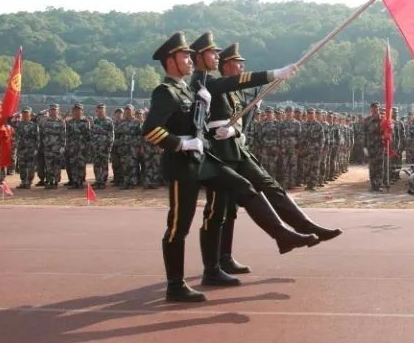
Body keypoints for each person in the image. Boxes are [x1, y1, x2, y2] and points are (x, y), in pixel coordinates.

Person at [143, 32, 320, 302]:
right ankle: (175, 285)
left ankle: (282, 235)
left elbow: (211, 105)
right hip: (182, 165)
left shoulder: (188, 89)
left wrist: (210, 119)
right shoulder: (165, 92)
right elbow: (151, 130)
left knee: (243, 186)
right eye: (185, 56)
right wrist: (182, 144)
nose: (190, 60)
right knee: (179, 226)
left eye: (192, 56)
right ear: (170, 60)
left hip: (203, 160)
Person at [190, 35, 341, 286]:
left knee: (267, 185)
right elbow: (199, 118)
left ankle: (303, 225)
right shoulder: (204, 82)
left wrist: (235, 131)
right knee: (219, 210)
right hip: (218, 153)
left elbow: (236, 122)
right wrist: (273, 73)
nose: (241, 67)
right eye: (236, 62)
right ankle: (213, 266)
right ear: (224, 65)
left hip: (235, 149)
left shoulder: (227, 90)